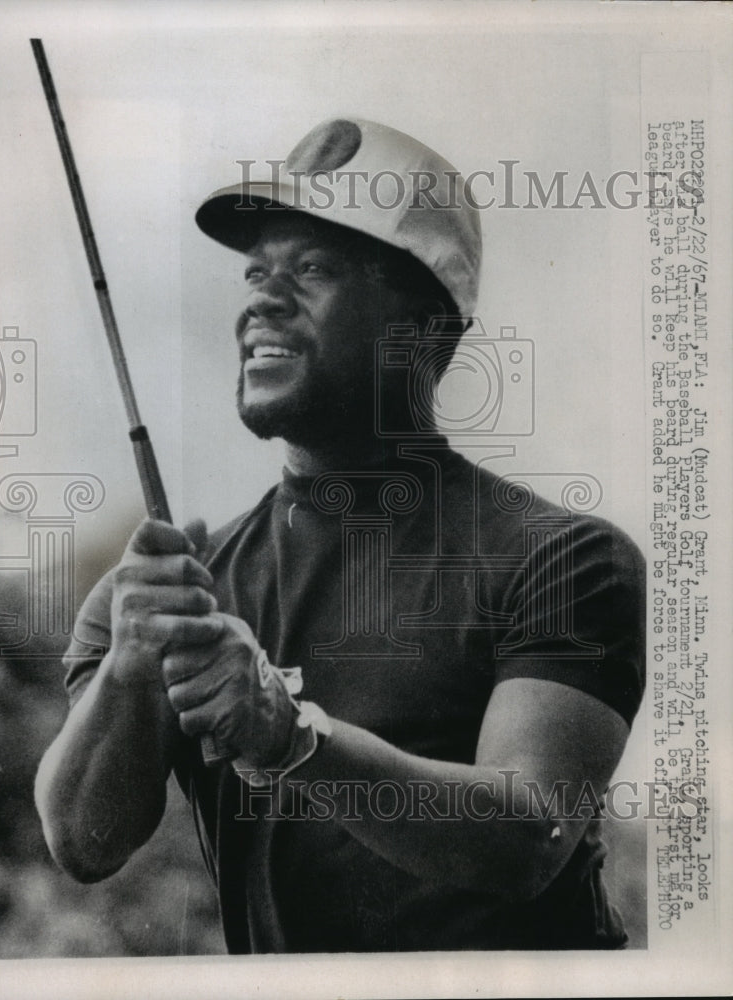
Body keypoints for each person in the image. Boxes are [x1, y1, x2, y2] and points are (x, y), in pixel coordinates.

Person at [35, 118, 646, 952]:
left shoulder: (565, 558)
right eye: (256, 272)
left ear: (426, 327)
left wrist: (292, 738)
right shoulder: (167, 595)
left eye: (313, 269)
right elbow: (82, 844)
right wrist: (129, 669)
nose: (261, 299)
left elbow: (529, 836)